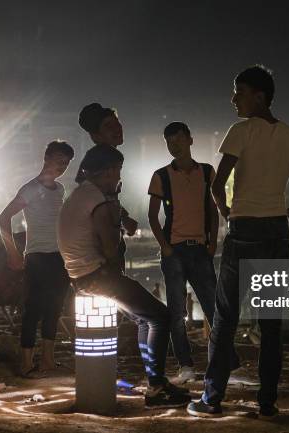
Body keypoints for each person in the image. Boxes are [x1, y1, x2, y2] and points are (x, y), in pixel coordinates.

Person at [187, 65, 289, 418]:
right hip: (276, 232)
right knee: (271, 323)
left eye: (239, 91)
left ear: (260, 96)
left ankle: (211, 398)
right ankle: (267, 402)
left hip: (245, 230)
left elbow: (216, 183)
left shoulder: (241, 131)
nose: (233, 98)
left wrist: (225, 211)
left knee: (225, 319)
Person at [58, 144, 190, 409]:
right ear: (107, 172)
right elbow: (111, 251)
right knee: (161, 316)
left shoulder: (82, 194)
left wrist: (118, 214)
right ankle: (156, 387)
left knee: (145, 318)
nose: (120, 177)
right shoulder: (99, 202)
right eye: (118, 171)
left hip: (80, 277)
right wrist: (117, 222)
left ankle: (156, 382)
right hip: (98, 276)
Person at [148, 121, 222, 383]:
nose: (174, 144)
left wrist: (212, 242)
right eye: (169, 141)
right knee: (176, 312)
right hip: (175, 252)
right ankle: (185, 366)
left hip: (201, 250)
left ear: (190, 140)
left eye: (178, 139)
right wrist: (165, 247)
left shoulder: (207, 172)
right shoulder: (161, 175)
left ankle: (228, 365)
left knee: (215, 309)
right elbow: (152, 216)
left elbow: (213, 211)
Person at [0, 140, 74, 377]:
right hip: (37, 256)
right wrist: (13, 251)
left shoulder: (60, 189)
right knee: (33, 310)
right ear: (46, 158)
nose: (61, 166)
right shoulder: (30, 189)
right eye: (58, 160)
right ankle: (26, 363)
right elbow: (3, 218)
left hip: (59, 256)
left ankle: (47, 360)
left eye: (66, 163)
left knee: (54, 309)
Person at [78, 102, 138, 272]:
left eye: (116, 122)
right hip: (101, 248)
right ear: (95, 136)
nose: (116, 128)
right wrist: (125, 219)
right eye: (108, 126)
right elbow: (95, 198)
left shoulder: (107, 157)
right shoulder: (97, 161)